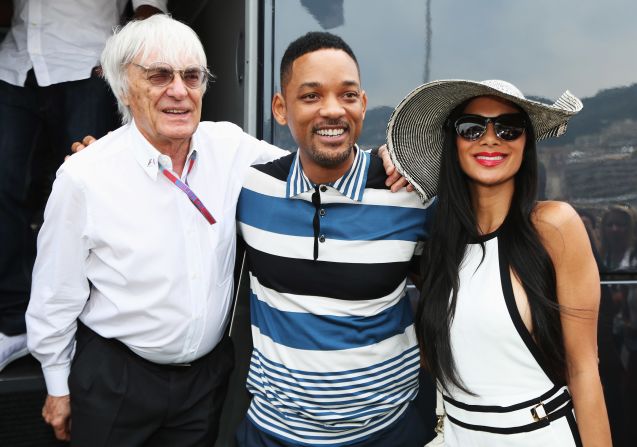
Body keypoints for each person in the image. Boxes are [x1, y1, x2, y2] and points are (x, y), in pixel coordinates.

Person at [26, 14, 287, 445]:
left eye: (192, 76)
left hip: (204, 384)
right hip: (116, 381)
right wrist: (57, 385)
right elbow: (56, 291)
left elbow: (307, 172)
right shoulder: (85, 176)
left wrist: (386, 162)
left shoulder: (230, 148)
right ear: (124, 88)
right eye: (160, 75)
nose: (180, 91)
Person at [234, 32, 432, 447]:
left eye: (347, 95)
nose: (332, 110)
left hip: (389, 433)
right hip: (273, 433)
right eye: (310, 97)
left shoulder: (409, 194)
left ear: (362, 103)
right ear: (280, 109)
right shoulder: (249, 189)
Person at [387, 79, 612, 445]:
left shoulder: (555, 226)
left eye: (509, 127)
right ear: (453, 141)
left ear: (526, 142)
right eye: (471, 127)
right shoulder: (439, 242)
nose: (490, 139)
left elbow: (584, 369)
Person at [0, 0, 167, 372]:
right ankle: (14, 324)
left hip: (89, 67)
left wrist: (130, 64)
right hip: (15, 65)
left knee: (93, 198)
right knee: (5, 189)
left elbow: (150, 10)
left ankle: (90, 328)